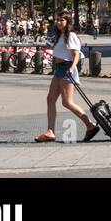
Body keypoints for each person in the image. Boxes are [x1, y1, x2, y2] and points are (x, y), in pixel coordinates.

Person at [35, 11, 99, 143]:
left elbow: (76, 54)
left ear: (67, 22)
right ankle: (50, 131)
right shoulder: (61, 35)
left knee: (67, 102)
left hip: (66, 68)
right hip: (59, 69)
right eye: (57, 20)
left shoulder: (71, 35)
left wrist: (71, 68)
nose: (58, 22)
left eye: (61, 20)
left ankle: (90, 124)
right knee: (50, 99)